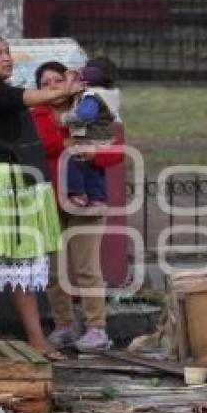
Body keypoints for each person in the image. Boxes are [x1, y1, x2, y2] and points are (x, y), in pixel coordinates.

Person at [0, 34, 84, 360]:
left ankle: (36, 339)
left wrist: (65, 92)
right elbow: (24, 97)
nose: (7, 58)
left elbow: (42, 104)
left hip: (17, 178)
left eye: (8, 52)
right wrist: (59, 90)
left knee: (20, 260)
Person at [31, 61, 123, 352]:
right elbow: (39, 146)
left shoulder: (90, 108)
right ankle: (63, 324)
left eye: (57, 80)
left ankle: (97, 327)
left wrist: (92, 153)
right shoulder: (35, 114)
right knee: (54, 270)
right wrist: (67, 142)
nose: (52, 87)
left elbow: (115, 153)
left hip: (87, 203)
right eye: (44, 84)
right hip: (48, 199)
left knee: (87, 267)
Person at [58, 57, 120, 209]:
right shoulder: (110, 94)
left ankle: (77, 193)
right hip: (103, 138)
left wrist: (67, 118)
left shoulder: (92, 95)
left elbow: (85, 115)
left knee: (74, 161)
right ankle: (98, 198)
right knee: (95, 170)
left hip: (90, 138)